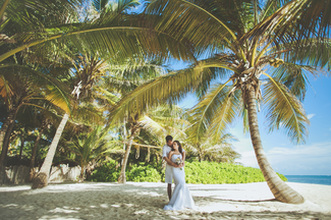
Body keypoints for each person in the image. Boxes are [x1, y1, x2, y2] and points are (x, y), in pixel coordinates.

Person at [164, 140, 195, 211]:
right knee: (180, 183)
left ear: (178, 145)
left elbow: (183, 161)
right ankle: (177, 203)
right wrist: (174, 164)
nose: (173, 145)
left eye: (175, 144)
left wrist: (181, 164)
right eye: (173, 144)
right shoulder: (171, 152)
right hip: (175, 170)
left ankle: (183, 202)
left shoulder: (181, 152)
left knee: (182, 184)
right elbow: (168, 162)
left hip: (181, 170)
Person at [162, 135, 178, 201]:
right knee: (169, 183)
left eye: (170, 142)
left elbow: (182, 152)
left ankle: (176, 198)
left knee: (177, 182)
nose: (170, 144)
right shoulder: (165, 147)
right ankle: (170, 199)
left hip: (176, 167)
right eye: (168, 142)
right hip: (169, 167)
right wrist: (171, 163)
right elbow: (164, 156)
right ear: (166, 142)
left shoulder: (175, 145)